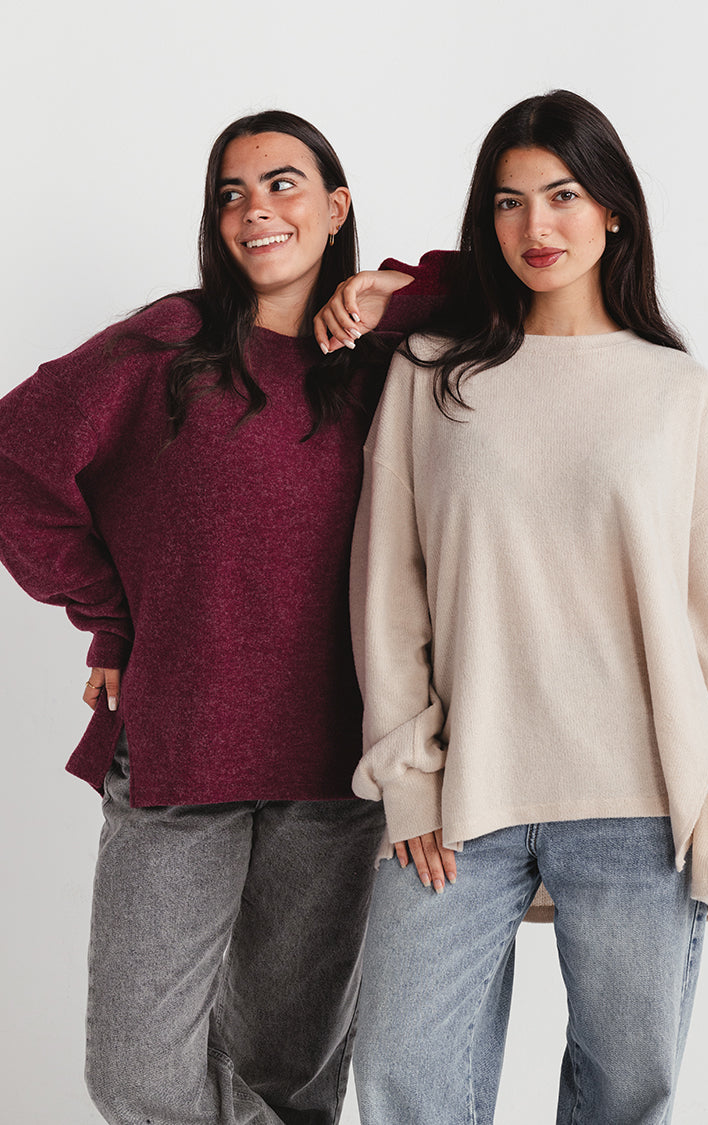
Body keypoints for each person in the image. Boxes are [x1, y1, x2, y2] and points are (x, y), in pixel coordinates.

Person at [0, 110, 449, 1125]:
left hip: (336, 766)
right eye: (231, 193)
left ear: (336, 207)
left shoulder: (390, 360)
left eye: (284, 184)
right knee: (136, 1074)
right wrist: (110, 617)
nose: (255, 211)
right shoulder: (167, 344)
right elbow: (15, 456)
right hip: (182, 749)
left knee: (291, 1074)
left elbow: (521, 285)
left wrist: (397, 290)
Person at [330, 90, 708, 1124]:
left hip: (644, 798)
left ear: (613, 210)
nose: (537, 225)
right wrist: (408, 781)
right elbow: (389, 592)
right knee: (401, 1075)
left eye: (562, 195)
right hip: (462, 792)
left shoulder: (677, 391)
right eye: (509, 202)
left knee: (628, 1092)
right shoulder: (432, 376)